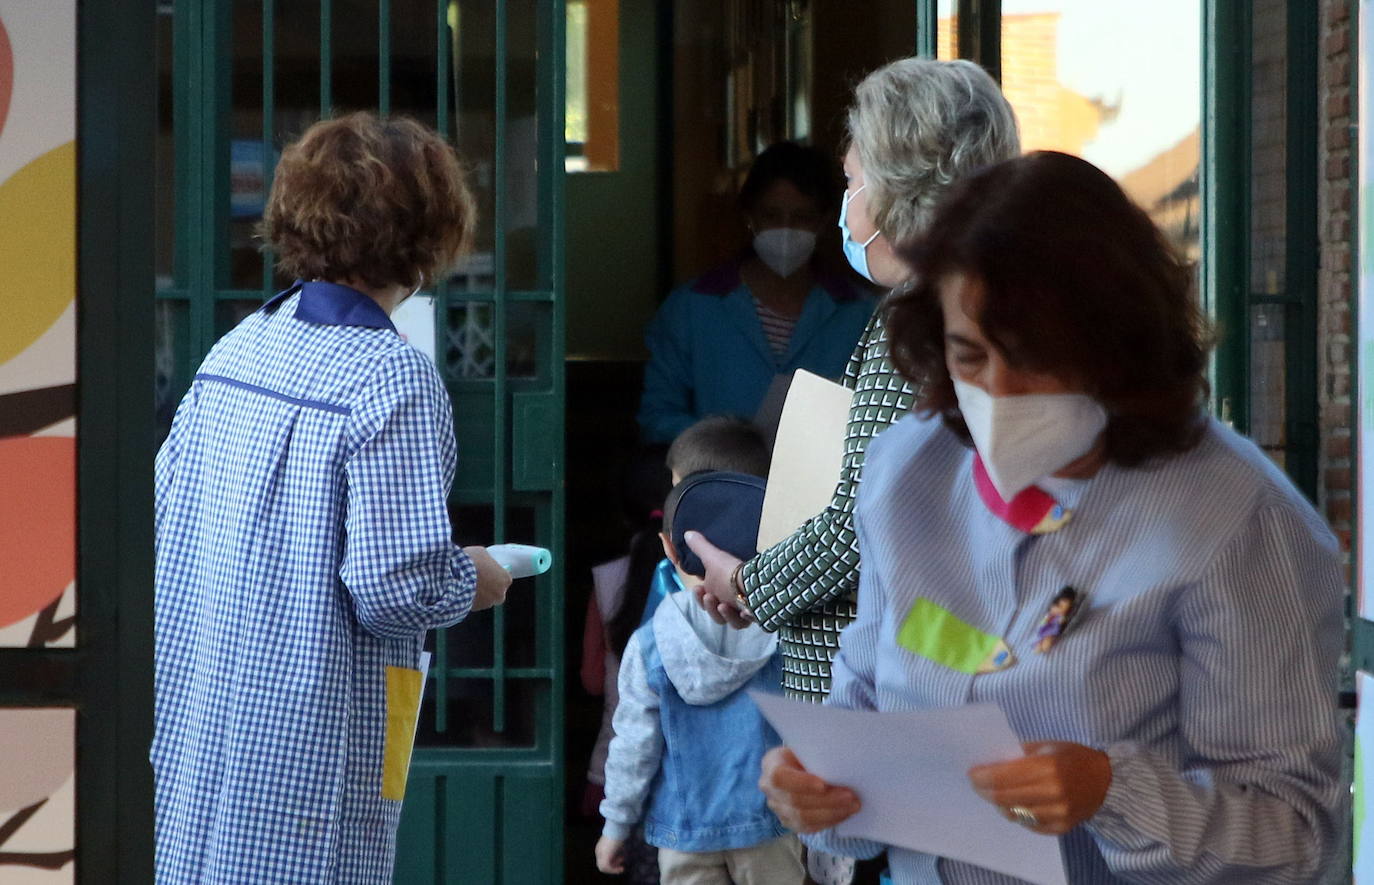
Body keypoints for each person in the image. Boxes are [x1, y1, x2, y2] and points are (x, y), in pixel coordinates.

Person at [757, 151, 1346, 883]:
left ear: (1117, 344)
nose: (1000, 394)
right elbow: (870, 698)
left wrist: (1112, 791)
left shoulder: (1234, 520)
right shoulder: (906, 475)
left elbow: (1298, 835)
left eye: (1033, 358)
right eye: (969, 357)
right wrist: (819, 789)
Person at [152, 113, 513, 884]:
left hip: (203, 724)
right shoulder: (394, 378)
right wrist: (472, 577)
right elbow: (397, 584)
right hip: (306, 746)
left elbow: (164, 517)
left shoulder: (240, 346)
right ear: (432, 231)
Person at [595, 417, 804, 884]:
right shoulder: (792, 626)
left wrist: (615, 826)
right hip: (772, 824)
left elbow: (633, 744)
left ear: (669, 546)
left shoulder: (650, 642)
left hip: (683, 828)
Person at [637, 142, 876, 445]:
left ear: (824, 222)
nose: (786, 230)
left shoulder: (859, 312)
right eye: (772, 215)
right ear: (749, 217)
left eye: (802, 217)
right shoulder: (692, 307)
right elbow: (657, 416)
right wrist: (725, 447)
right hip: (716, 483)